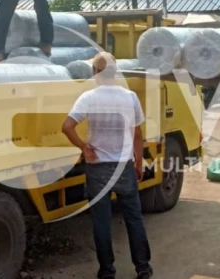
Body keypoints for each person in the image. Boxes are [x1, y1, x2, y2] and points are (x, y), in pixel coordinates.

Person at [61, 52, 153, 279]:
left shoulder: (88, 98)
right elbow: (138, 134)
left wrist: (84, 148)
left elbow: (67, 127)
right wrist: (139, 163)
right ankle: (142, 268)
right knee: (134, 218)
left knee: (101, 221)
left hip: (98, 168)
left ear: (95, 73)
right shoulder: (130, 97)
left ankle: (107, 271)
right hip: (124, 166)